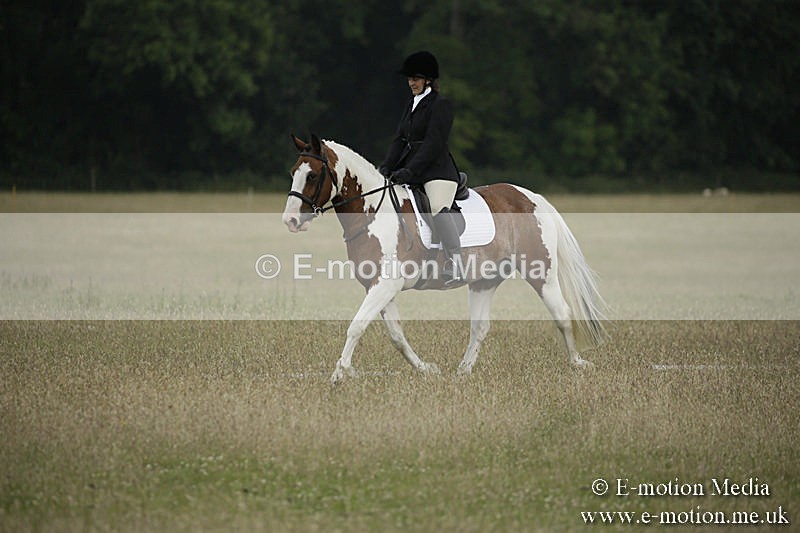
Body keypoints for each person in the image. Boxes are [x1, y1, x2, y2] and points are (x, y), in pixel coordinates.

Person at [379, 51, 463, 284]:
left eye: (415, 78)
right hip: (413, 170)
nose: (411, 83)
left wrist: (410, 170)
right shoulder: (411, 104)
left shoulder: (441, 105)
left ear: (427, 79)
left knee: (436, 207)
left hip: (438, 171)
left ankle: (456, 263)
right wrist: (387, 166)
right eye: (409, 78)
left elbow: (434, 144)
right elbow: (399, 139)